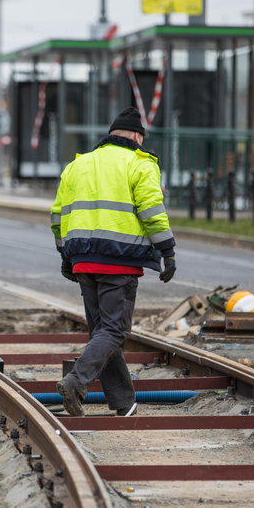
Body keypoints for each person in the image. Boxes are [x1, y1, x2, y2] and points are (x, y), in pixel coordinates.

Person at [50, 106, 177, 417]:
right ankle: (76, 381)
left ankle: (123, 402)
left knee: (103, 333)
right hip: (119, 260)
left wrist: (66, 253)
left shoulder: (77, 165)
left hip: (82, 261)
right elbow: (151, 211)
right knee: (115, 330)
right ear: (137, 136)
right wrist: (168, 251)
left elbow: (57, 216)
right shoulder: (140, 163)